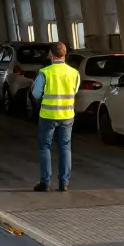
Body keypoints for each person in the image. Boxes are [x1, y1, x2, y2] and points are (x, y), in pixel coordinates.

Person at [32, 42, 79, 192]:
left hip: (48, 115)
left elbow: (36, 94)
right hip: (67, 115)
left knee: (45, 147)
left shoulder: (45, 72)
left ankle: (45, 183)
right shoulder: (74, 73)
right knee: (65, 147)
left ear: (50, 55)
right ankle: (64, 183)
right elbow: (75, 91)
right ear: (65, 54)